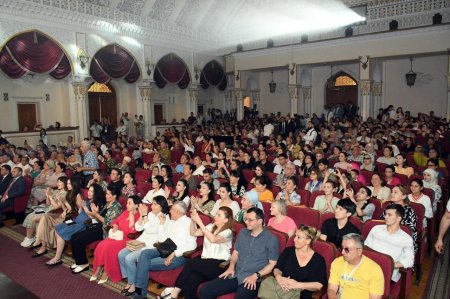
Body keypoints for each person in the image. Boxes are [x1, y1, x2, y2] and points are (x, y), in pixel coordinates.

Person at [199, 207, 279, 299]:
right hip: (236, 274)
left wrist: (256, 275)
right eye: (245, 219)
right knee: (205, 290)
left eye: (250, 220)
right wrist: (231, 266)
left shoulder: (271, 239)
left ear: (260, 221)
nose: (246, 222)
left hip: (253, 279)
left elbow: (272, 264)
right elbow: (235, 253)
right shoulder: (243, 233)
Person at [162, 207, 234, 299]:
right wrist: (193, 220)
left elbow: (213, 239)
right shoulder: (211, 227)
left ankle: (174, 293)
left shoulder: (228, 232)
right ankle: (175, 293)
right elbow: (194, 232)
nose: (215, 216)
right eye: (216, 214)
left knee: (191, 263)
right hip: (205, 263)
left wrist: (200, 222)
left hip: (219, 265)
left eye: (219, 215)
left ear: (226, 220)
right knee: (191, 280)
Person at [131, 202, 197, 299]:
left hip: (178, 256)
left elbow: (192, 245)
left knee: (143, 264)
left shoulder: (188, 223)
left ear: (177, 212)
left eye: (172, 209)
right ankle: (139, 291)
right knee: (144, 253)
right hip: (165, 249)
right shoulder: (172, 221)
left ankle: (140, 292)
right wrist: (162, 224)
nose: (169, 211)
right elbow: (162, 239)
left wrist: (174, 253)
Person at [119, 196, 170, 296]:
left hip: (150, 246)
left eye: (155, 204)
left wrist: (145, 215)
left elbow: (151, 230)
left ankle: (132, 284)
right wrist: (142, 216)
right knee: (121, 254)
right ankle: (131, 281)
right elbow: (138, 228)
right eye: (153, 203)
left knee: (129, 258)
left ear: (162, 206)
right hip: (140, 242)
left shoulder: (164, 217)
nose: (152, 206)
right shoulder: (150, 214)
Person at [259, 225, 327, 299]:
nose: (294, 239)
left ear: (308, 241)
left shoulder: (318, 260)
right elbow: (277, 268)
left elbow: (319, 285)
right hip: (281, 289)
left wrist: (297, 285)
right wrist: (279, 278)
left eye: (298, 237)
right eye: (295, 236)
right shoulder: (288, 251)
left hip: (301, 295)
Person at [46, 180, 103, 267]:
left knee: (61, 233)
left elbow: (93, 218)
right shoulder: (87, 201)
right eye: (89, 190)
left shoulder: (96, 203)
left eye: (92, 191)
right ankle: (60, 250)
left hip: (82, 224)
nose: (89, 193)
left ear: (96, 193)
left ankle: (57, 257)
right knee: (59, 227)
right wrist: (80, 207)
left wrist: (84, 207)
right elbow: (80, 213)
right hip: (76, 220)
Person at [70, 186, 122, 274]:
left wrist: (96, 214)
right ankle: (78, 261)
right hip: (97, 226)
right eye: (106, 193)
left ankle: (83, 264)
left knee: (79, 240)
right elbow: (97, 218)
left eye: (108, 194)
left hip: (104, 230)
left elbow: (108, 223)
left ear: (114, 196)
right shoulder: (107, 203)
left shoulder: (117, 207)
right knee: (74, 236)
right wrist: (94, 214)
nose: (106, 195)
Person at [90, 196, 141, 284]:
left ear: (136, 205)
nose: (127, 205)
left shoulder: (139, 216)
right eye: (127, 203)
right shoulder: (125, 212)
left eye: (130, 203)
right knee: (101, 245)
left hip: (127, 240)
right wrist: (115, 226)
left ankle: (106, 273)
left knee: (108, 248)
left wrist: (132, 217)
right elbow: (115, 221)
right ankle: (97, 270)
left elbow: (133, 231)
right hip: (117, 236)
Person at [365, 204, 415, 282]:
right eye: (385, 214)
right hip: (369, 268)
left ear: (398, 218)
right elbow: (366, 248)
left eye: (389, 215)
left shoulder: (406, 239)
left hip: (388, 274)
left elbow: (409, 261)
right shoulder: (376, 229)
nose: (385, 217)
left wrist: (389, 264)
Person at [327, 233, 384, 299]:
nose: (342, 252)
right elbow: (332, 290)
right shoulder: (337, 262)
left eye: (347, 249)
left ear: (359, 251)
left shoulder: (375, 270)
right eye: (342, 248)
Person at [21, 176, 69, 248]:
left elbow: (56, 207)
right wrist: (47, 195)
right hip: (48, 209)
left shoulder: (65, 193)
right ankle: (30, 237)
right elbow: (48, 204)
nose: (57, 183)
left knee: (33, 218)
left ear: (65, 183)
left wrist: (50, 197)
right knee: (30, 215)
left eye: (59, 182)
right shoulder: (56, 191)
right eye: (57, 181)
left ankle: (32, 238)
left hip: (55, 212)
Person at [381, 185, 418, 253]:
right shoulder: (388, 206)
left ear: (403, 196)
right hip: (386, 237)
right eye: (392, 192)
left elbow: (409, 232)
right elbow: (381, 222)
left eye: (395, 192)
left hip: (402, 243)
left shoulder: (409, 211)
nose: (392, 194)